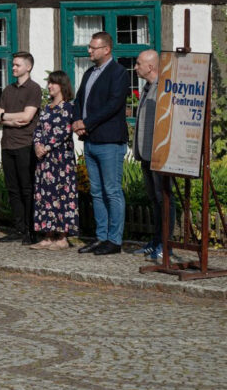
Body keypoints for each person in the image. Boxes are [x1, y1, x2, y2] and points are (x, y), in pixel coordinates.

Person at [72, 31, 130, 256]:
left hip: (110, 140)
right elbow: (79, 99)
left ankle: (114, 241)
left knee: (112, 190)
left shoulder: (118, 73)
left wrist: (86, 122)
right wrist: (77, 121)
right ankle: (101, 237)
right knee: (96, 191)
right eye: (89, 47)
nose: (89, 51)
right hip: (90, 139)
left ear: (106, 49)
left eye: (93, 47)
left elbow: (113, 105)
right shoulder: (89, 73)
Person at [131, 50, 175, 263]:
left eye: (138, 64)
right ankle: (156, 240)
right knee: (154, 199)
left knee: (164, 198)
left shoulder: (164, 88)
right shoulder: (147, 87)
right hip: (146, 153)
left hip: (160, 153)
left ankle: (166, 245)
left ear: (150, 67)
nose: (135, 67)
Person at [0, 52, 42, 244]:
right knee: (12, 189)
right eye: (13, 65)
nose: (13, 68)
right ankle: (18, 228)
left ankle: (31, 231)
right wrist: (10, 119)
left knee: (27, 188)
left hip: (25, 144)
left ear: (28, 67)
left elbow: (27, 118)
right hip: (7, 144)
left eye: (17, 65)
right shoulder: (7, 90)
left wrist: (6, 117)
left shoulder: (34, 89)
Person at [30, 71, 78, 250]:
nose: (49, 86)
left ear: (62, 86)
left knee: (62, 195)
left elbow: (64, 132)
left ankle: (63, 237)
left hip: (60, 160)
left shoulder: (68, 107)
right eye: (49, 83)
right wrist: (37, 145)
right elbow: (38, 130)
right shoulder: (47, 108)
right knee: (45, 196)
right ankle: (48, 235)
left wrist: (46, 147)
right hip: (44, 161)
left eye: (53, 83)